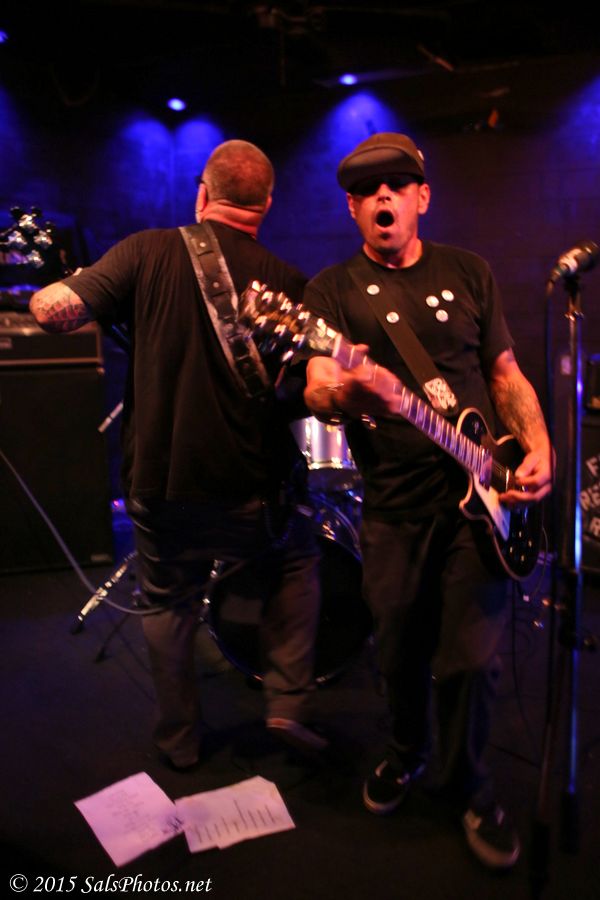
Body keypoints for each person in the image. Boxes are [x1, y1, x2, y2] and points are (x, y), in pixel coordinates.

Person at [30, 139, 328, 770]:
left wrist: (59, 287)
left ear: (202, 194)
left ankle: (179, 741)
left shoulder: (144, 251)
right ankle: (286, 702)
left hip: (162, 487)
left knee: (167, 601)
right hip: (251, 489)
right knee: (297, 557)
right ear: (266, 203)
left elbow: (54, 313)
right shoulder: (288, 281)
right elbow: (304, 394)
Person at [302, 132, 552, 869]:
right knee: (399, 651)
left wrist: (537, 445)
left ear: (422, 198)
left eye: (397, 183)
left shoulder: (469, 272)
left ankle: (472, 787)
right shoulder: (331, 291)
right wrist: (351, 392)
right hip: (393, 508)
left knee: (470, 662)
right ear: (352, 209)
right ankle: (407, 750)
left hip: (481, 502)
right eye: (366, 189)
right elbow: (317, 386)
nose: (382, 195)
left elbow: (503, 373)